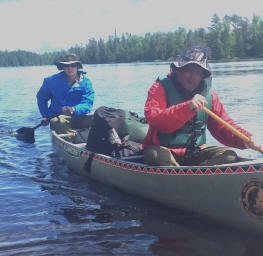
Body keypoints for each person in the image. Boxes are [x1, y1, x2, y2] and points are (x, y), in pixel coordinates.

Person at [143, 45, 262, 166]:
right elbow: (156, 120)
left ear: (203, 75)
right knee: (156, 156)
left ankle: (195, 177)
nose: (193, 77)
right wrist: (187, 108)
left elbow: (222, 127)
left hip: (195, 151)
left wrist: (246, 139)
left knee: (229, 156)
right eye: (189, 70)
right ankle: (187, 179)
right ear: (179, 71)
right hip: (163, 149)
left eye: (198, 72)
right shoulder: (159, 87)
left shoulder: (210, 96)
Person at [37, 53, 94, 134]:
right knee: (60, 123)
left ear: (77, 66)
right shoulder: (50, 81)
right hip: (57, 119)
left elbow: (88, 103)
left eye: (73, 65)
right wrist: (45, 115)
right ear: (62, 67)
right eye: (66, 65)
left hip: (80, 118)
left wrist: (74, 109)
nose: (70, 68)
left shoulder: (86, 82)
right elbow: (41, 99)